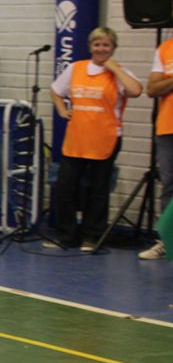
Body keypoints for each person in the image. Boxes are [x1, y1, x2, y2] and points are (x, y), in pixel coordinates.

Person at [49, 26, 142, 251]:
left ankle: (92, 236)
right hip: (77, 139)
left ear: (113, 48)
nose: (101, 49)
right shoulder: (76, 68)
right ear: (90, 46)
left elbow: (136, 90)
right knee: (65, 187)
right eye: (97, 44)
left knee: (98, 190)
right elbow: (55, 90)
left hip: (106, 138)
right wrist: (62, 109)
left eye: (106, 45)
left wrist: (114, 68)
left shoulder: (119, 72)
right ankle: (66, 235)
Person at [139, 33, 173, 260]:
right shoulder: (165, 49)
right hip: (167, 128)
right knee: (169, 186)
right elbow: (152, 88)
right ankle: (167, 242)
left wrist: (166, 81)